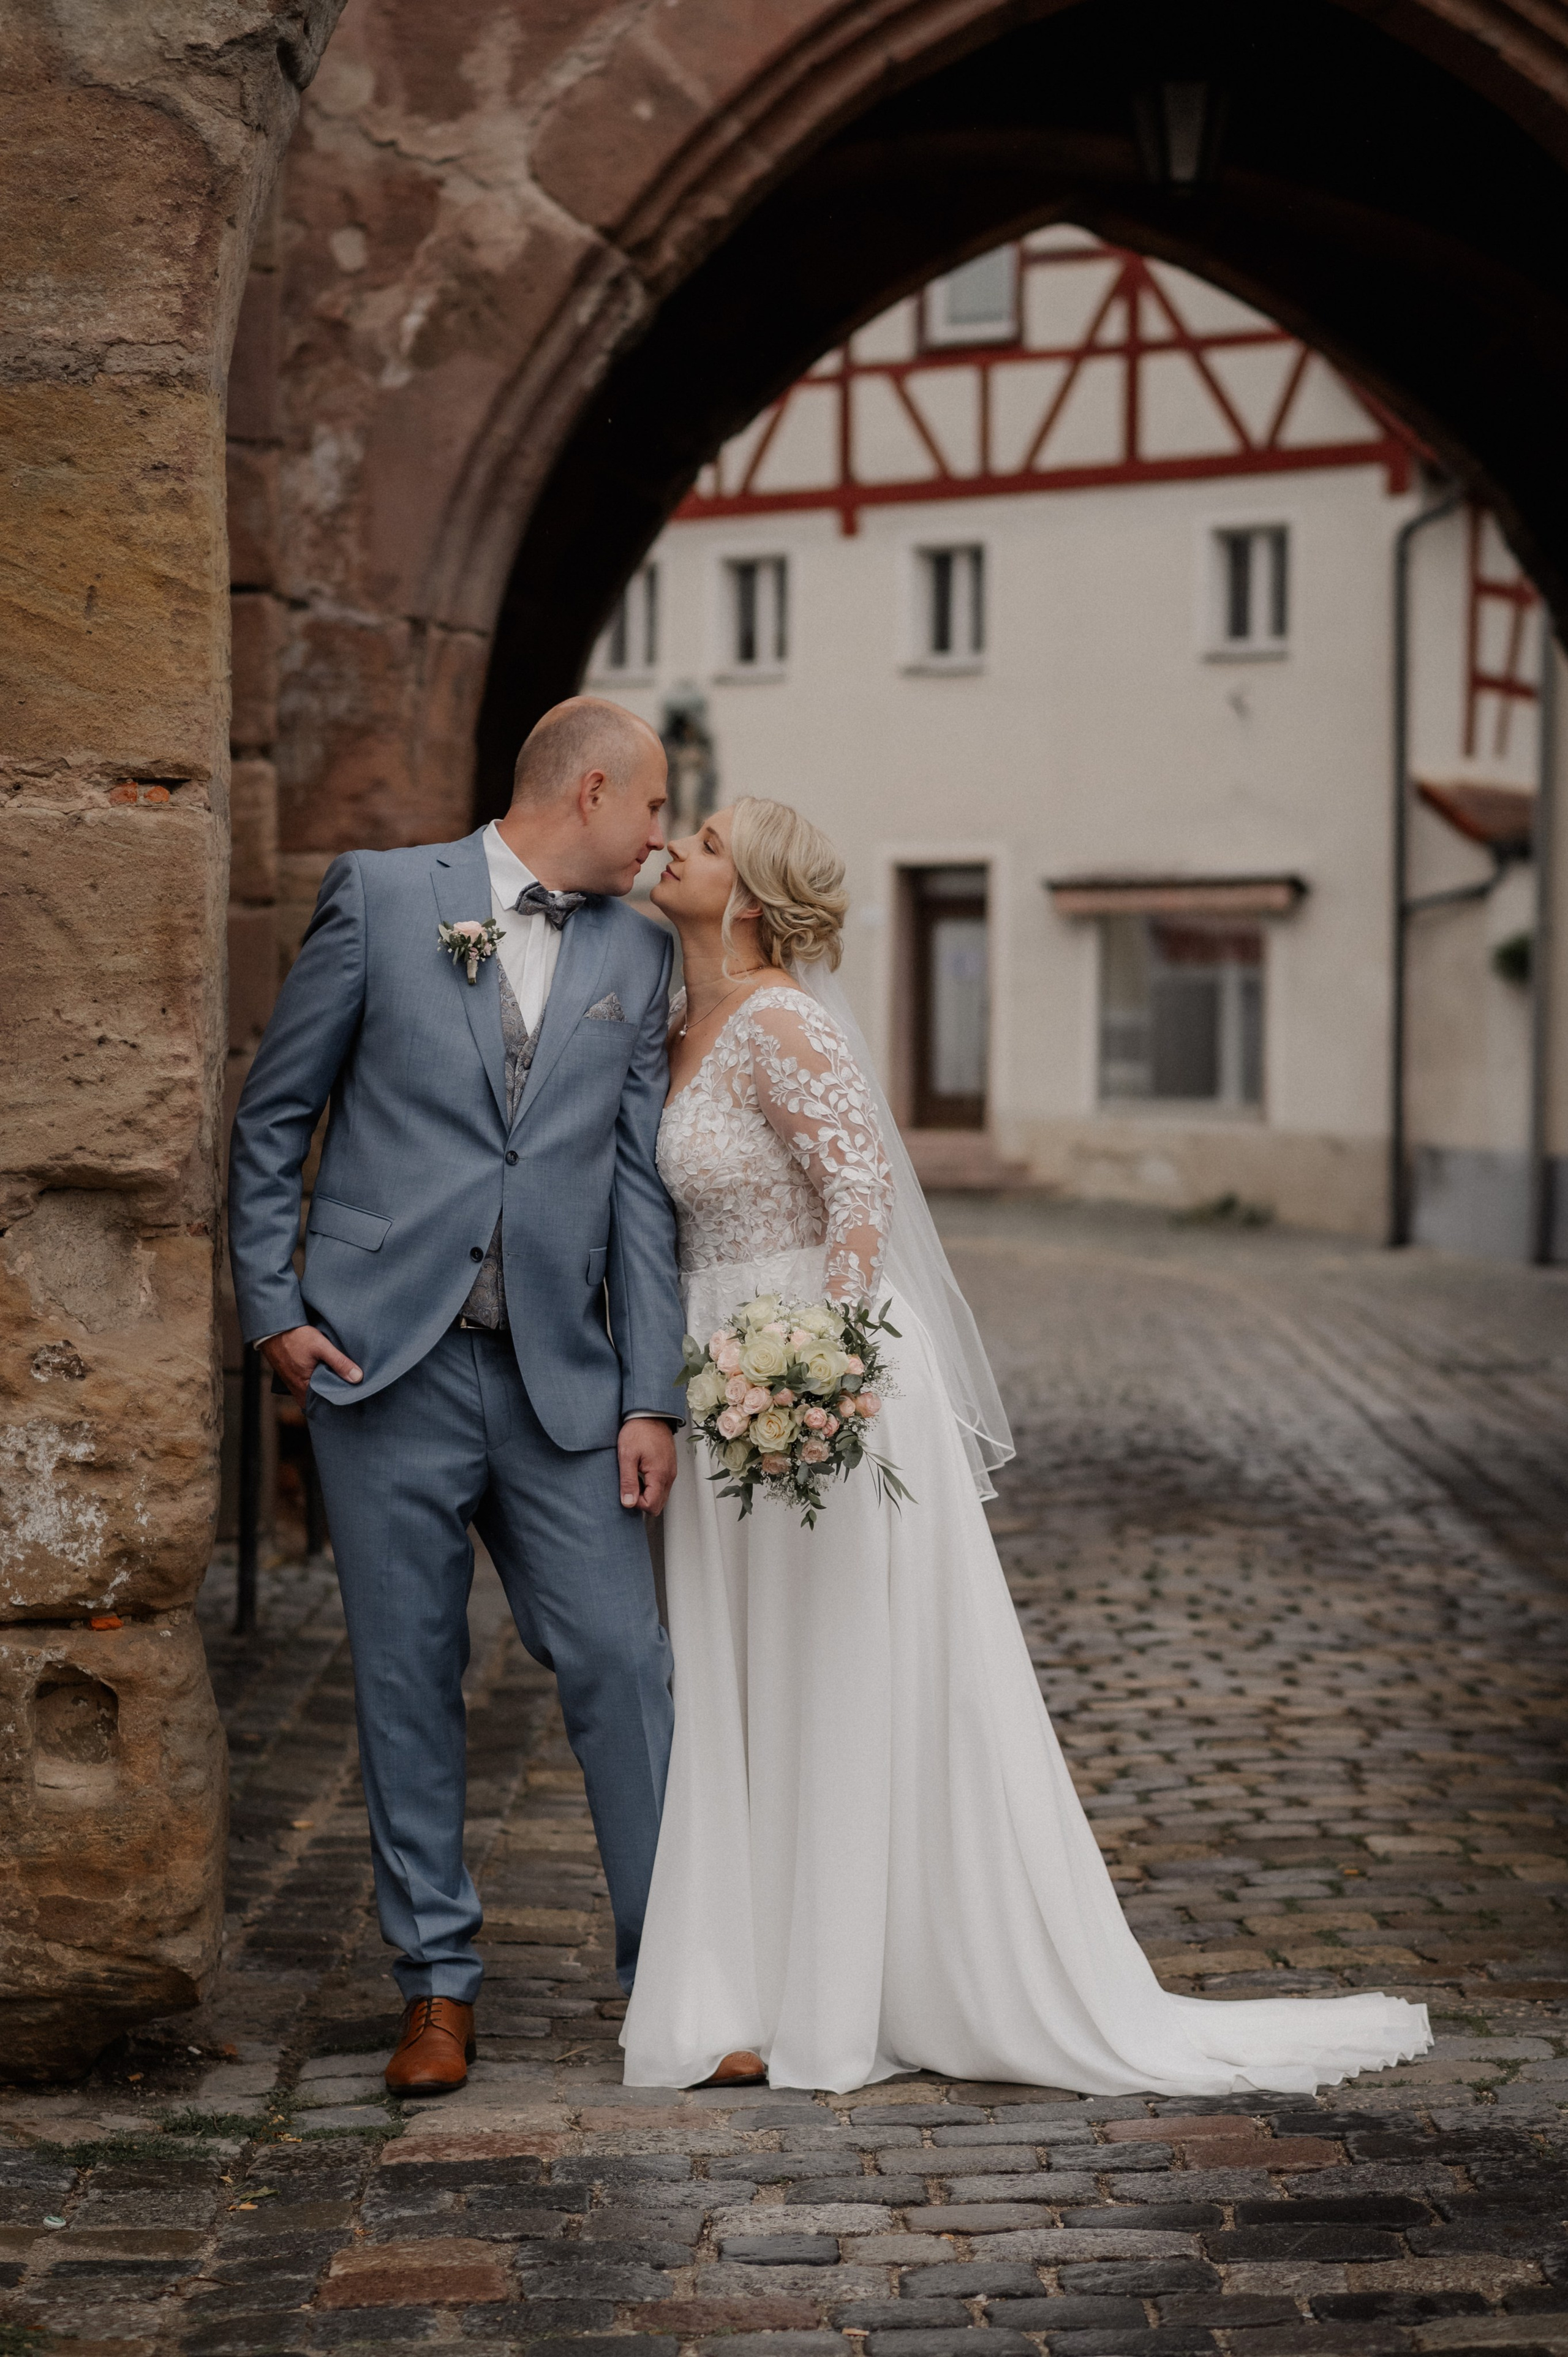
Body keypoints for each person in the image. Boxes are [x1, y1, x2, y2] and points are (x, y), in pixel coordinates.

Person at [620, 795, 1432, 2097]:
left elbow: (860, 1195)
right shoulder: (675, 1023)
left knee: (834, 1669)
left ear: (750, 899)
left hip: (799, 1381)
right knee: (745, 1674)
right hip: (715, 1374)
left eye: (704, 840)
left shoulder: (781, 1020)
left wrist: (816, 1371)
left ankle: (854, 1985)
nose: (676, 848)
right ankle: (756, 1982)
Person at [228, 697, 685, 2098]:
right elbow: (273, 1114)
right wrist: (273, 1309)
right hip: (383, 1367)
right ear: (591, 790)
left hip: (562, 1377)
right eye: (656, 810)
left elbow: (638, 1187)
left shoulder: (638, 952)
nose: (664, 839)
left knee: (621, 1657)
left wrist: (650, 1393)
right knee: (406, 1677)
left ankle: (669, 1975)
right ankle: (435, 1986)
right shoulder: (380, 899)